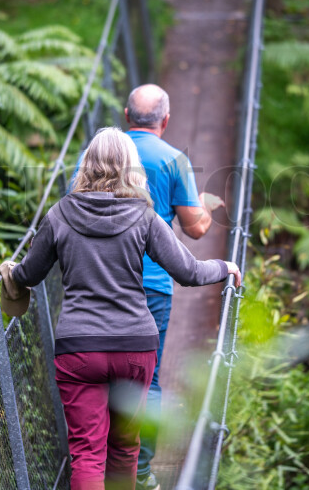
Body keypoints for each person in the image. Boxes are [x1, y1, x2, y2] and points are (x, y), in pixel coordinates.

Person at [0, 127, 240, 490]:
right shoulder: (145, 216)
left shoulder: (60, 214)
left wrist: (9, 271)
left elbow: (30, 274)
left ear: (87, 165)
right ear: (131, 168)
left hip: (79, 349)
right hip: (134, 347)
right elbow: (188, 272)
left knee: (87, 454)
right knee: (124, 449)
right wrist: (225, 267)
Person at [123, 84, 225, 490]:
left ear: (126, 116)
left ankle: (101, 472)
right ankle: (142, 474)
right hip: (152, 283)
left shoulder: (95, 156)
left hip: (94, 281)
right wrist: (205, 203)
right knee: (146, 381)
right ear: (165, 121)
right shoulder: (173, 159)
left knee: (100, 379)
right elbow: (196, 229)